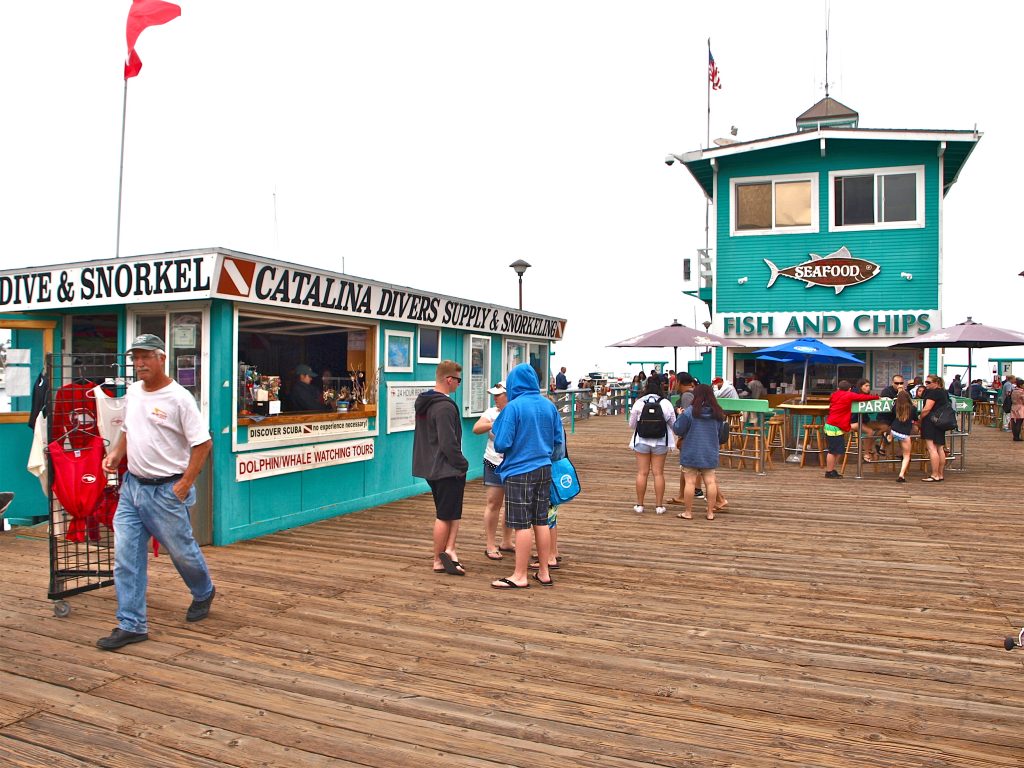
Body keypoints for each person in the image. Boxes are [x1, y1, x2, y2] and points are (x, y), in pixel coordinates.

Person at [96, 334, 214, 651]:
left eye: (146, 356)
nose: (140, 363)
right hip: (132, 488)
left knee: (182, 552)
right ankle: (131, 624)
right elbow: (128, 429)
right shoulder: (134, 392)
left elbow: (203, 444)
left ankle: (203, 591)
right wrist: (116, 454)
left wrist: (184, 484)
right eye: (136, 358)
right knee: (126, 558)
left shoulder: (179, 398)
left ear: (162, 358)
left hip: (166, 491)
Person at [491, 363, 564, 589]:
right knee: (541, 520)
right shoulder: (548, 405)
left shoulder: (513, 407)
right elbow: (558, 441)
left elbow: (502, 443)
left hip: (519, 470)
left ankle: (520, 575)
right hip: (544, 468)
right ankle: (543, 572)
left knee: (521, 524)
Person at [413, 360, 470, 576]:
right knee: (444, 515)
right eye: (458, 380)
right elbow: (448, 443)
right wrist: (462, 463)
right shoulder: (444, 406)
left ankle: (450, 550)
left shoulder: (426, 403)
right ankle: (438, 559)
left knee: (451, 511)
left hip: (431, 467)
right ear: (449, 379)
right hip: (447, 469)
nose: (459, 384)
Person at [672, 383, 728, 520]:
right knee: (710, 482)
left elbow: (678, 429)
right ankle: (710, 513)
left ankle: (688, 512)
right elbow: (720, 434)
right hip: (710, 451)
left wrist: (680, 415)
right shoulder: (718, 413)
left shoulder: (690, 412)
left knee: (690, 482)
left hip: (691, 451)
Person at [473, 382, 515, 560]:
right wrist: (494, 423)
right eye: (494, 395)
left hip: (514, 464)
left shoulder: (516, 410)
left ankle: (507, 541)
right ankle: (490, 544)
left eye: (499, 395)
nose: (495, 398)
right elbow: (476, 428)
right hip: (493, 462)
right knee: (493, 503)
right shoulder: (491, 412)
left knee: (512, 504)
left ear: (509, 394)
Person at [628, 377, 675, 514]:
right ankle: (659, 506)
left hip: (641, 440)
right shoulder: (666, 403)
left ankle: (640, 505)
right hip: (660, 441)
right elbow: (673, 424)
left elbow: (632, 425)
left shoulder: (639, 403)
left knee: (642, 473)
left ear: (646, 386)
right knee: (658, 473)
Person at [822, 380, 878, 479]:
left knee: (837, 450)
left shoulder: (834, 394)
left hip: (832, 424)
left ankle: (831, 470)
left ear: (838, 388)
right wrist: (877, 397)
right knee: (833, 451)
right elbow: (863, 397)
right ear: (849, 389)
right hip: (835, 427)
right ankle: (829, 472)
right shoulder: (849, 395)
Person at [667, 373, 702, 504]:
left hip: (691, 436)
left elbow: (688, 417)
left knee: (695, 469)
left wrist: (681, 436)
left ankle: (719, 499)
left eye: (675, 381)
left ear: (679, 382)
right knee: (695, 468)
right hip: (697, 435)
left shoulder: (687, 396)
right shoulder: (694, 393)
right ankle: (682, 495)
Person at [918, 374, 952, 482]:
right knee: (940, 448)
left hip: (930, 422)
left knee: (932, 448)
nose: (926, 384)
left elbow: (927, 409)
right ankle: (940, 474)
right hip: (940, 422)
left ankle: (934, 474)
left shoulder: (933, 393)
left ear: (936, 383)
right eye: (926, 382)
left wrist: (920, 418)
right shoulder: (944, 392)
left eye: (928, 382)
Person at [889, 389, 919, 482]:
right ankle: (901, 475)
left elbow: (892, 415)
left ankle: (888, 439)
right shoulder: (912, 408)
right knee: (906, 455)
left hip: (894, 430)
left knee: (889, 433)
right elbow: (915, 418)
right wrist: (915, 407)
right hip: (904, 433)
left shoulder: (895, 407)